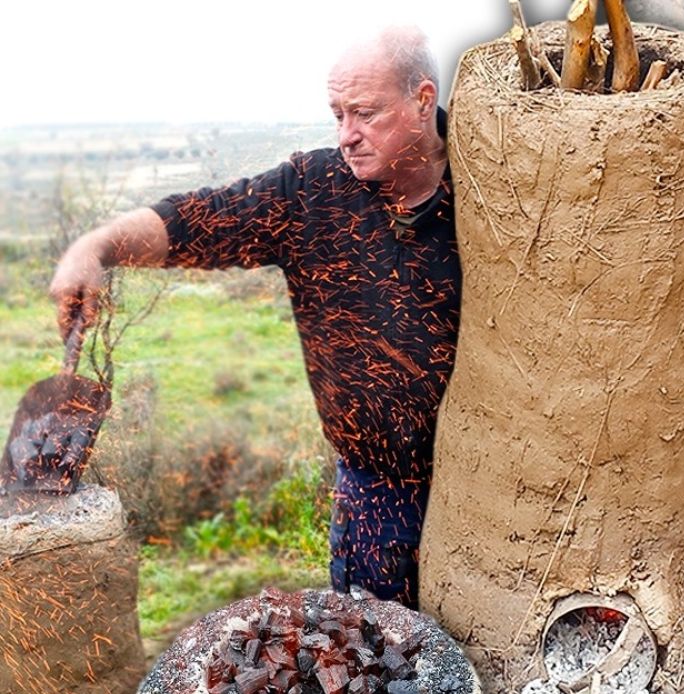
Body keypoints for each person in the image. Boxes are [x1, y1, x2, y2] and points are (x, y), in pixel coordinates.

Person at [48, 26, 458, 608]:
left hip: (479, 485)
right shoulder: (312, 191)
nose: (346, 135)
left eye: (364, 114)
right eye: (337, 114)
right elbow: (200, 219)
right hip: (374, 491)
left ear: (421, 100)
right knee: (376, 655)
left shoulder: (487, 188)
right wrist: (96, 247)